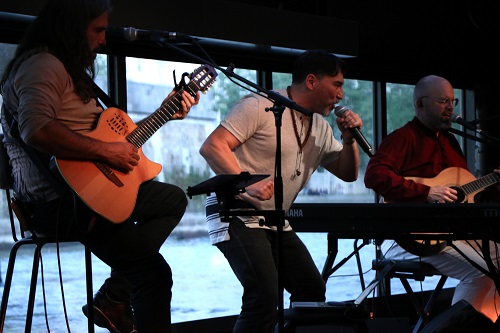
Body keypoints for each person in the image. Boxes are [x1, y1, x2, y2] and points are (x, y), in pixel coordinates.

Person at [0, 0, 200, 332]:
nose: (104, 39)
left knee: (173, 199)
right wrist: (107, 153)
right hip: (59, 203)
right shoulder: (43, 65)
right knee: (153, 275)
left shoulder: (66, 70)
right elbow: (36, 129)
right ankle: (115, 297)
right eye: (98, 30)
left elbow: (117, 142)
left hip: (83, 192)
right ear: (71, 28)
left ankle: (113, 296)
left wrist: (165, 112)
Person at [199, 49, 363, 332]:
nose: (340, 95)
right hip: (234, 211)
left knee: (311, 291)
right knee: (263, 296)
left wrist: (349, 141)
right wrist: (246, 182)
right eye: (337, 85)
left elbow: (348, 173)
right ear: (311, 81)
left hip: (274, 218)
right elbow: (213, 146)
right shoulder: (259, 106)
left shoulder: (321, 128)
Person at [364, 74, 500, 322]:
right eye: (443, 101)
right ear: (420, 104)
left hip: (449, 236)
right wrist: (426, 192)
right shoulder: (402, 138)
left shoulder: (450, 141)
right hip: (409, 239)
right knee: (482, 271)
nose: (450, 107)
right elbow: (375, 176)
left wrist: (494, 181)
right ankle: (457, 326)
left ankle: (481, 324)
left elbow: (467, 190)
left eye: (453, 101)